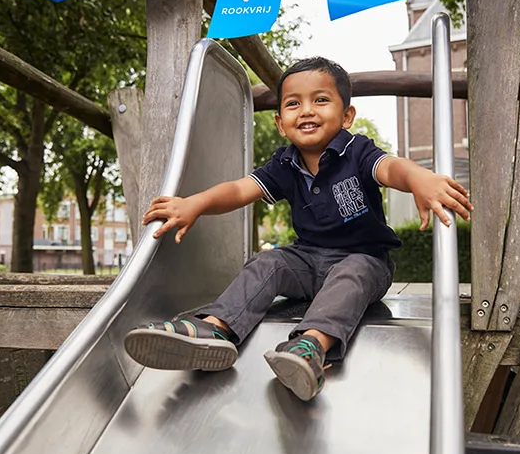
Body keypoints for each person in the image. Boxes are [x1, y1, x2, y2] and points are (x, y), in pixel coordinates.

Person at [124, 56, 473, 401]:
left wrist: (419, 178)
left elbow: (391, 168)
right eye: (293, 103)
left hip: (365, 261)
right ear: (280, 123)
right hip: (307, 262)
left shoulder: (356, 151)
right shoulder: (284, 163)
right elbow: (239, 190)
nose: (306, 111)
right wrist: (195, 204)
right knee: (268, 261)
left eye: (320, 100)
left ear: (347, 115)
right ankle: (216, 329)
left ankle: (309, 347)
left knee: (352, 271)